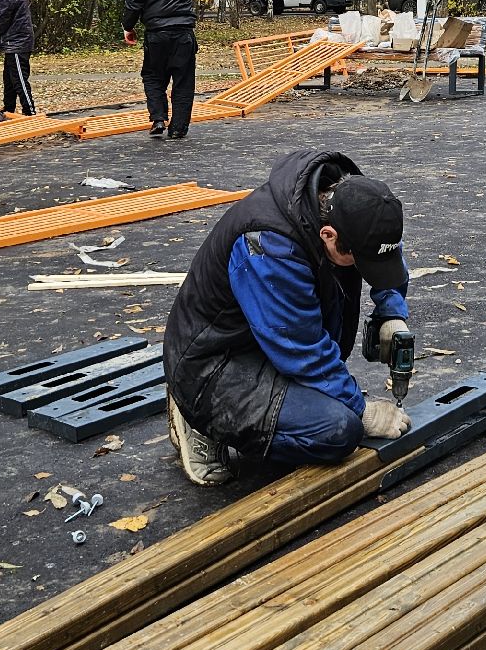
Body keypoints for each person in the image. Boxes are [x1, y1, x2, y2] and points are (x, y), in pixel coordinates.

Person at [163, 150, 415, 486]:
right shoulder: (269, 245)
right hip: (214, 363)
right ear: (328, 235)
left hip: (268, 343)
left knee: (333, 395)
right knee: (339, 430)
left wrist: (391, 312)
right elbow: (300, 347)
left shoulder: (357, 205)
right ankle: (200, 419)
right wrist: (363, 410)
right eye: (359, 260)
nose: (362, 269)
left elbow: (384, 250)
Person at [122, 0, 200, 140]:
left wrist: (128, 26)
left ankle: (158, 118)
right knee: (183, 81)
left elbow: (134, 0)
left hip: (156, 33)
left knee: (152, 76)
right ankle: (178, 128)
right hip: (183, 33)